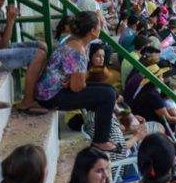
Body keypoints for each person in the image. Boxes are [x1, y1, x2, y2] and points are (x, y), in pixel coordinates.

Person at [36, 11, 118, 152]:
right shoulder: (78, 51)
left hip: (51, 90)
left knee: (109, 90)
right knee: (108, 96)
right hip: (51, 96)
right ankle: (100, 140)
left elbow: (73, 78)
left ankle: (100, 133)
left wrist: (73, 80)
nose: (101, 27)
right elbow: (77, 87)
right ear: (92, 31)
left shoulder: (74, 40)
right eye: (99, 25)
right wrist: (76, 82)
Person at [0, 0, 48, 112]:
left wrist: (10, 19)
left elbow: (2, 39)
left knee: (42, 46)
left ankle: (35, 94)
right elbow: (1, 45)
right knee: (38, 55)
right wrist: (10, 21)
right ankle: (28, 101)